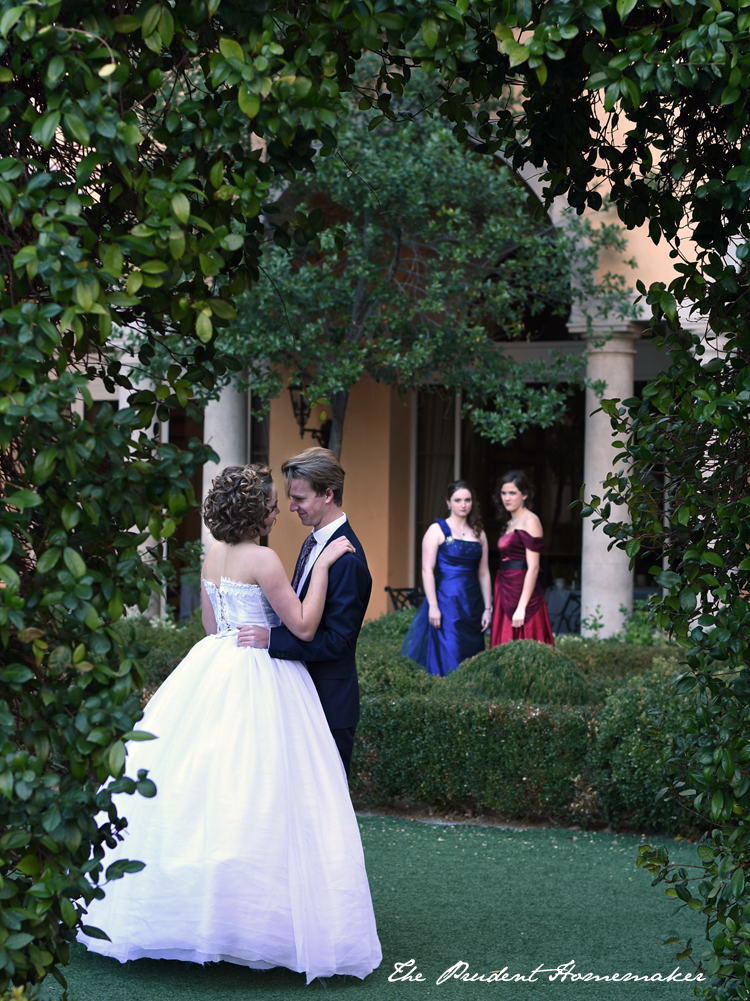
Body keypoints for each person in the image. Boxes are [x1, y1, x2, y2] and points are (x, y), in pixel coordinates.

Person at [78, 464, 382, 983]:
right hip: (260, 673)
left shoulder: (213, 554)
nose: (280, 509)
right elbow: (305, 625)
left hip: (211, 665)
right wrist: (326, 567)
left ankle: (193, 913)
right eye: (272, 502)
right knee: (260, 796)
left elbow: (210, 624)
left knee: (201, 788)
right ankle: (254, 920)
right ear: (255, 512)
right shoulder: (264, 558)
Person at [238, 447, 371, 779]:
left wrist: (273, 639)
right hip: (300, 696)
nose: (291, 507)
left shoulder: (347, 559)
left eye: (299, 498)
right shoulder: (314, 542)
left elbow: (338, 642)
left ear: (328, 494)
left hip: (329, 705)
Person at [401, 480, 492, 675]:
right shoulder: (436, 530)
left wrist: (487, 608)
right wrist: (433, 605)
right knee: (450, 652)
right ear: (448, 502)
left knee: (473, 654)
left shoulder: (480, 533)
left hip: (473, 602)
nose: (463, 504)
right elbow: (426, 569)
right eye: (458, 500)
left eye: (468, 500)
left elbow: (484, 573)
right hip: (446, 602)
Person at [490, 470, 554, 647]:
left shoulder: (531, 521)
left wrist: (521, 606)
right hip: (504, 586)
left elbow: (533, 567)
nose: (507, 498)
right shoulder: (508, 522)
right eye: (503, 493)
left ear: (525, 494)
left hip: (522, 589)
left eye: (512, 493)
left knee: (525, 641)